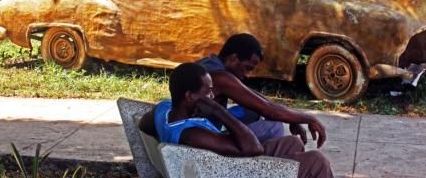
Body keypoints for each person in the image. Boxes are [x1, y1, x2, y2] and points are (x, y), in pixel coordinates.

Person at [139, 62, 333, 178]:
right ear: (189, 96)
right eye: (208, 93)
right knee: (317, 161)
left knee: (292, 142)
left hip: (224, 160)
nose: (213, 97)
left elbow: (143, 124)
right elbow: (253, 149)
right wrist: (218, 111)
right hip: (233, 170)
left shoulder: (163, 109)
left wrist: (165, 134)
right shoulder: (192, 135)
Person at [196, 33, 327, 146]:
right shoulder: (220, 77)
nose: (247, 75)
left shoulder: (209, 63)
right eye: (247, 68)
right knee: (274, 127)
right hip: (199, 137)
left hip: (198, 129)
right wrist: (310, 119)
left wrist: (292, 118)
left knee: (251, 110)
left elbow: (258, 99)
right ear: (233, 59)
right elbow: (270, 111)